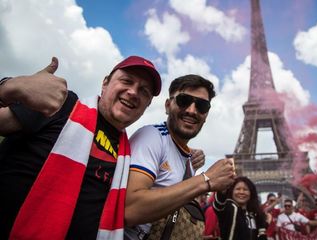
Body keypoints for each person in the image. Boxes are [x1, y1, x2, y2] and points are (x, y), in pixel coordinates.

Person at [0, 55, 162, 239]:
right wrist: (8, 88)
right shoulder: (62, 104)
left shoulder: (128, 155)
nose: (133, 92)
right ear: (105, 83)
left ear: (147, 105)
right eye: (127, 81)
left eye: (144, 91)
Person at [124, 74, 236, 239]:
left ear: (206, 114)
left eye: (202, 105)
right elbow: (130, 210)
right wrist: (206, 180)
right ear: (168, 105)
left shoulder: (187, 158)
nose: (192, 110)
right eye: (184, 101)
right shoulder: (152, 136)